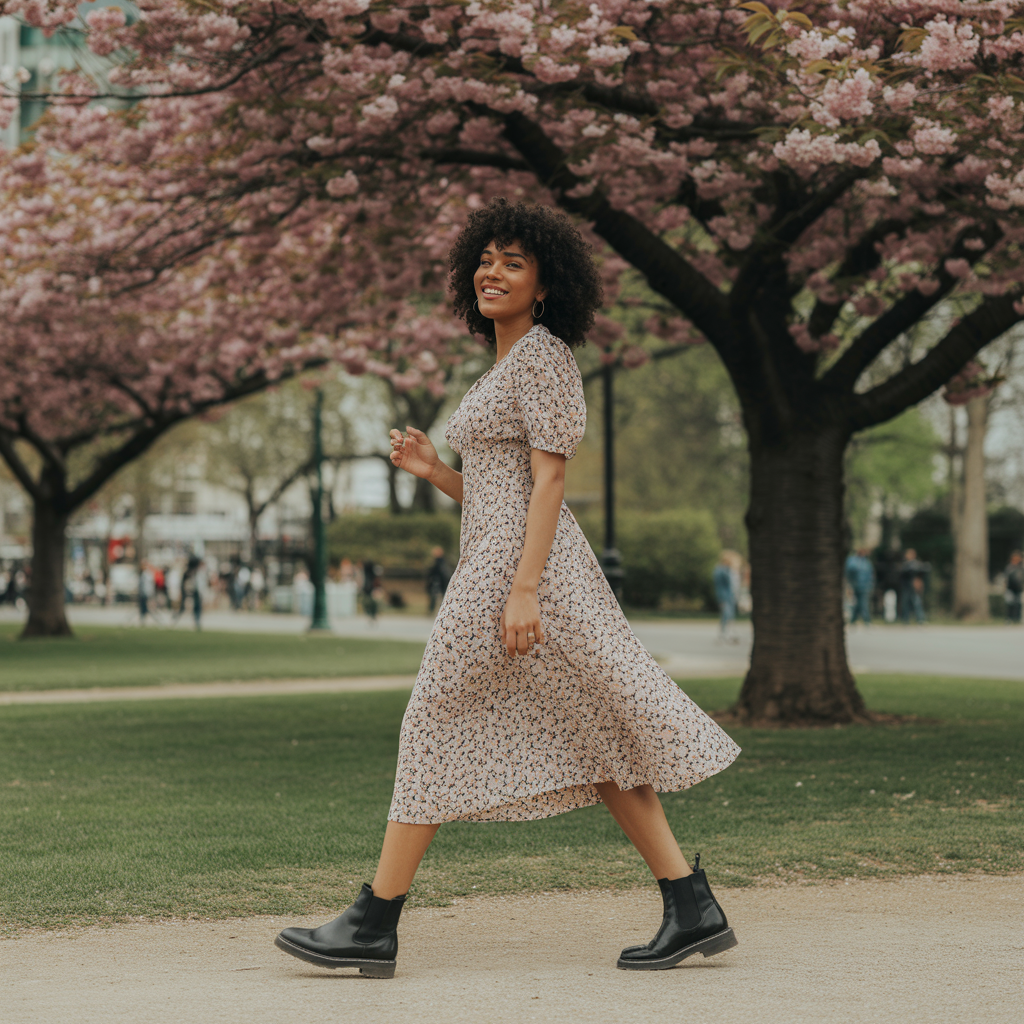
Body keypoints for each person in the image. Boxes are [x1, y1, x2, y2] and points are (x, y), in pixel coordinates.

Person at [274, 198, 740, 979]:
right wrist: (436, 474)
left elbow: (552, 483)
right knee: (597, 732)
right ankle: (692, 906)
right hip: (508, 556)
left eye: (513, 262)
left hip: (520, 572)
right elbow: (505, 493)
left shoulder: (544, 359)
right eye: (486, 259)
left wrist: (522, 591)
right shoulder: (509, 362)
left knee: (430, 717)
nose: (493, 271)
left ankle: (373, 922)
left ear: (546, 284)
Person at [713, 551, 740, 643]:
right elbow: (722, 585)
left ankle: (728, 634)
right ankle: (724, 635)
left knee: (729, 615)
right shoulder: (721, 570)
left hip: (729, 596)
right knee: (726, 615)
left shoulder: (725, 570)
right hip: (725, 596)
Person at [844, 547, 875, 626]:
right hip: (856, 585)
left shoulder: (866, 562)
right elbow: (849, 572)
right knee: (860, 603)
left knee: (861, 602)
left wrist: (871, 585)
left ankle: (856, 620)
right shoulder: (853, 561)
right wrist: (849, 584)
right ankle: (865, 620)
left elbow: (871, 575)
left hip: (864, 586)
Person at [898, 548, 929, 624]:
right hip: (906, 587)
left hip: (913, 587)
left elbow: (921, 574)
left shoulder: (916, 564)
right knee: (906, 604)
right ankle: (905, 620)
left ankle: (920, 619)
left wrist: (918, 582)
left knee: (916, 603)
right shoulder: (905, 564)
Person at [425, 545, 451, 615]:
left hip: (438, 582)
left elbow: (434, 572)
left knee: (435, 597)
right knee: (440, 597)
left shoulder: (438, 562)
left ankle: (433, 610)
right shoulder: (443, 562)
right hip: (442, 582)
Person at [1005, 551, 1023, 624]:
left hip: (1019, 589)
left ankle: (1017, 618)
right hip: (1010, 588)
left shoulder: (1021, 568)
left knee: (1018, 604)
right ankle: (1009, 619)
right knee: (1010, 604)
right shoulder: (1009, 567)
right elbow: (1006, 578)